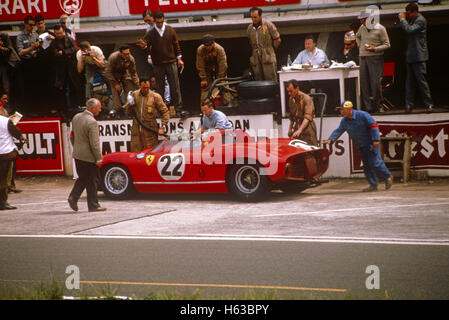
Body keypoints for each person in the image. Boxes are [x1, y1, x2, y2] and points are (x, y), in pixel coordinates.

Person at [323, 100, 393, 192]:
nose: (341, 112)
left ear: (349, 109)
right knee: (366, 166)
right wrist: (331, 139)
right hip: (360, 145)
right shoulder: (344, 121)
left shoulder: (363, 115)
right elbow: (339, 130)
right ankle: (373, 185)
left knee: (375, 163)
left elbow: (373, 126)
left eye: (342, 109)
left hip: (371, 143)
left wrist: (375, 139)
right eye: (340, 110)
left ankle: (387, 177)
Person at [138, 10, 185, 117]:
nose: (159, 24)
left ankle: (178, 108)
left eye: (161, 22)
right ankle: (162, 109)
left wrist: (179, 58)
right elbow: (146, 46)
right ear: (154, 21)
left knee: (175, 86)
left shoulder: (170, 30)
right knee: (160, 87)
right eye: (158, 22)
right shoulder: (150, 33)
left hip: (171, 61)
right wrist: (143, 46)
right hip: (158, 63)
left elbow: (176, 45)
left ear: (163, 20)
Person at [68, 98, 106, 212]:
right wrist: (99, 158)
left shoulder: (76, 117)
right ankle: (93, 205)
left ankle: (73, 197)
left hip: (78, 154)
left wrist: (78, 148)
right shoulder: (92, 122)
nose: (100, 110)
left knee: (83, 178)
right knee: (92, 180)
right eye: (99, 108)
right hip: (88, 156)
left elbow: (72, 136)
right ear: (93, 108)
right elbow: (94, 144)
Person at [399, 2, 433, 113]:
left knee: (421, 81)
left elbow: (409, 30)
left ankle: (429, 104)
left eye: (409, 14)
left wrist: (402, 20)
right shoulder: (413, 20)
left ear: (415, 12)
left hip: (419, 56)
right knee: (409, 83)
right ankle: (409, 105)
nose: (407, 16)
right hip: (410, 56)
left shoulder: (420, 20)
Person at [356, 10, 390, 113]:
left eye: (364, 19)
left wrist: (374, 49)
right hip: (363, 57)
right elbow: (357, 36)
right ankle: (368, 106)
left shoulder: (380, 28)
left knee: (375, 82)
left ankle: (378, 105)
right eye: (361, 20)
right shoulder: (362, 28)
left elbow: (387, 44)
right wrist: (360, 46)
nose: (362, 22)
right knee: (364, 82)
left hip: (375, 57)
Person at [123, 77, 170, 152]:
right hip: (136, 129)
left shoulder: (155, 96)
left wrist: (162, 126)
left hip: (150, 129)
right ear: (139, 86)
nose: (146, 89)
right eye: (144, 88)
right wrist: (129, 103)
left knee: (150, 153)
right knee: (136, 153)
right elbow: (128, 112)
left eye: (148, 87)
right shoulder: (134, 95)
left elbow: (165, 111)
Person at [49, 24, 81, 113]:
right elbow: (55, 55)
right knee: (61, 88)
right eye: (57, 34)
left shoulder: (69, 39)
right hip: (60, 69)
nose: (59, 35)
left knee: (73, 86)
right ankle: (63, 107)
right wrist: (68, 54)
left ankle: (74, 106)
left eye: (60, 33)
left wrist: (63, 52)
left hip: (71, 68)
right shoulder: (53, 43)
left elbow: (75, 49)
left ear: (63, 31)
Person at [0, 111, 27, 210]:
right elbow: (16, 132)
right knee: (5, 179)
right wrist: (22, 137)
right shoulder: (5, 121)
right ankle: (2, 202)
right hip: (5, 154)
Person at [247, 7, 281, 81]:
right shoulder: (249, 28)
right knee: (258, 79)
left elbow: (277, 40)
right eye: (252, 17)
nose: (253, 19)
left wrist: (270, 50)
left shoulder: (269, 25)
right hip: (256, 57)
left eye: (255, 17)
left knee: (271, 79)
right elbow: (250, 42)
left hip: (268, 56)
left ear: (260, 16)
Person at [196, 34, 230, 106]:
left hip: (219, 69)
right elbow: (200, 65)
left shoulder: (219, 49)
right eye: (206, 45)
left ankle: (227, 104)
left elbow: (223, 64)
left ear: (213, 43)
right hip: (207, 70)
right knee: (205, 86)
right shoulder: (200, 50)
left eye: (209, 45)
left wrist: (221, 78)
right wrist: (203, 78)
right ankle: (204, 106)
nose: (207, 47)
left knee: (224, 85)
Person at [105, 45, 139, 113]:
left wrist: (137, 83)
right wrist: (115, 83)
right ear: (120, 53)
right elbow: (108, 72)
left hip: (124, 74)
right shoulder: (113, 57)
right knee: (115, 91)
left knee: (130, 87)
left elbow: (133, 72)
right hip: (113, 75)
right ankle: (118, 109)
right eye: (125, 54)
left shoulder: (131, 59)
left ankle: (129, 109)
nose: (127, 55)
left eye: (128, 53)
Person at [286, 80, 318, 146]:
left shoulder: (307, 99)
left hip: (307, 127)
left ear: (297, 88)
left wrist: (300, 130)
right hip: (297, 126)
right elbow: (292, 116)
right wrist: (290, 129)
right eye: (288, 91)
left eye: (291, 91)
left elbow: (307, 117)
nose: (289, 93)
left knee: (310, 149)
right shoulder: (291, 99)